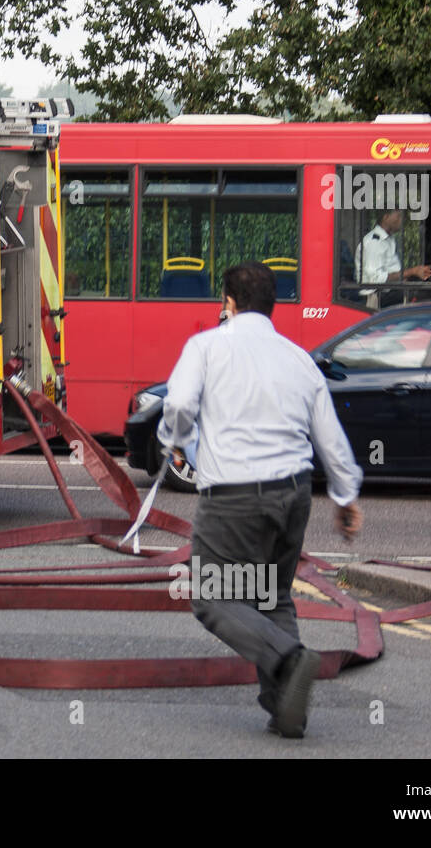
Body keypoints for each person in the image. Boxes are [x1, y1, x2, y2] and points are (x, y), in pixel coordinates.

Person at [159, 261, 364, 738]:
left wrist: (172, 436)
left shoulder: (207, 346)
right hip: (292, 494)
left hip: (231, 496)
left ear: (227, 303)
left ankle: (291, 659)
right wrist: (345, 495)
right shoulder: (298, 359)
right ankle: (286, 710)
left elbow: (181, 405)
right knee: (272, 597)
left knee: (212, 598)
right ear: (272, 304)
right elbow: (330, 438)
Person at [355, 208, 431, 308]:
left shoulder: (389, 239)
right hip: (377, 297)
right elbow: (375, 279)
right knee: (424, 297)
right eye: (398, 216)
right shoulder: (374, 242)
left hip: (392, 291)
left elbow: (393, 270)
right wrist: (412, 271)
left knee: (426, 289)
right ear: (386, 217)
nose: (402, 220)